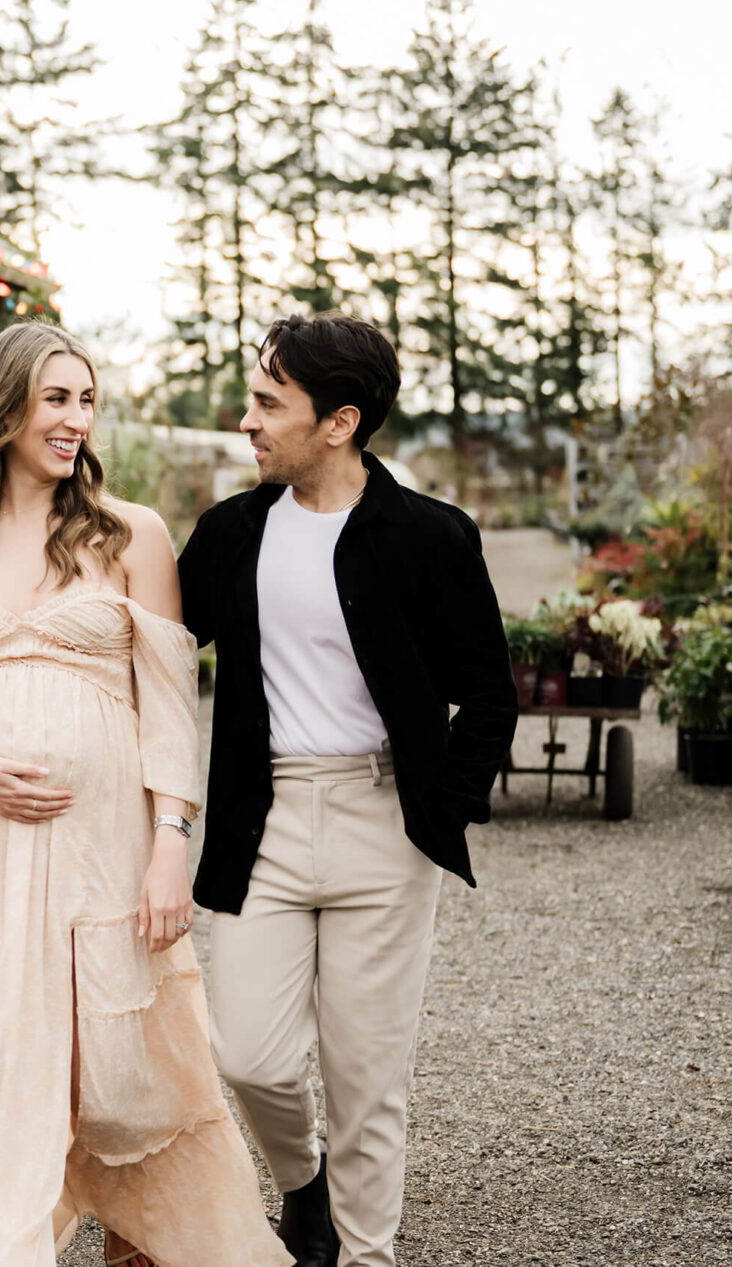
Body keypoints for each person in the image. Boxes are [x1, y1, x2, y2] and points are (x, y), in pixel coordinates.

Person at [0, 321, 293, 1267]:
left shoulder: (128, 533)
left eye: (85, 400)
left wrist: (170, 840)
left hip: (104, 843)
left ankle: (136, 1229)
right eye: (57, 398)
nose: (75, 419)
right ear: (3, 403)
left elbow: (171, 708)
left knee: (111, 1070)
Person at [177, 312, 518, 1267]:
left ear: (339, 421)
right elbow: (157, 642)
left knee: (368, 1079)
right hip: (265, 820)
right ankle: (302, 1184)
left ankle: (366, 1254)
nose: (247, 421)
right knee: (247, 1053)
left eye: (267, 403)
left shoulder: (431, 537)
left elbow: (490, 695)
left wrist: (439, 811)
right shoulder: (231, 534)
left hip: (383, 829)